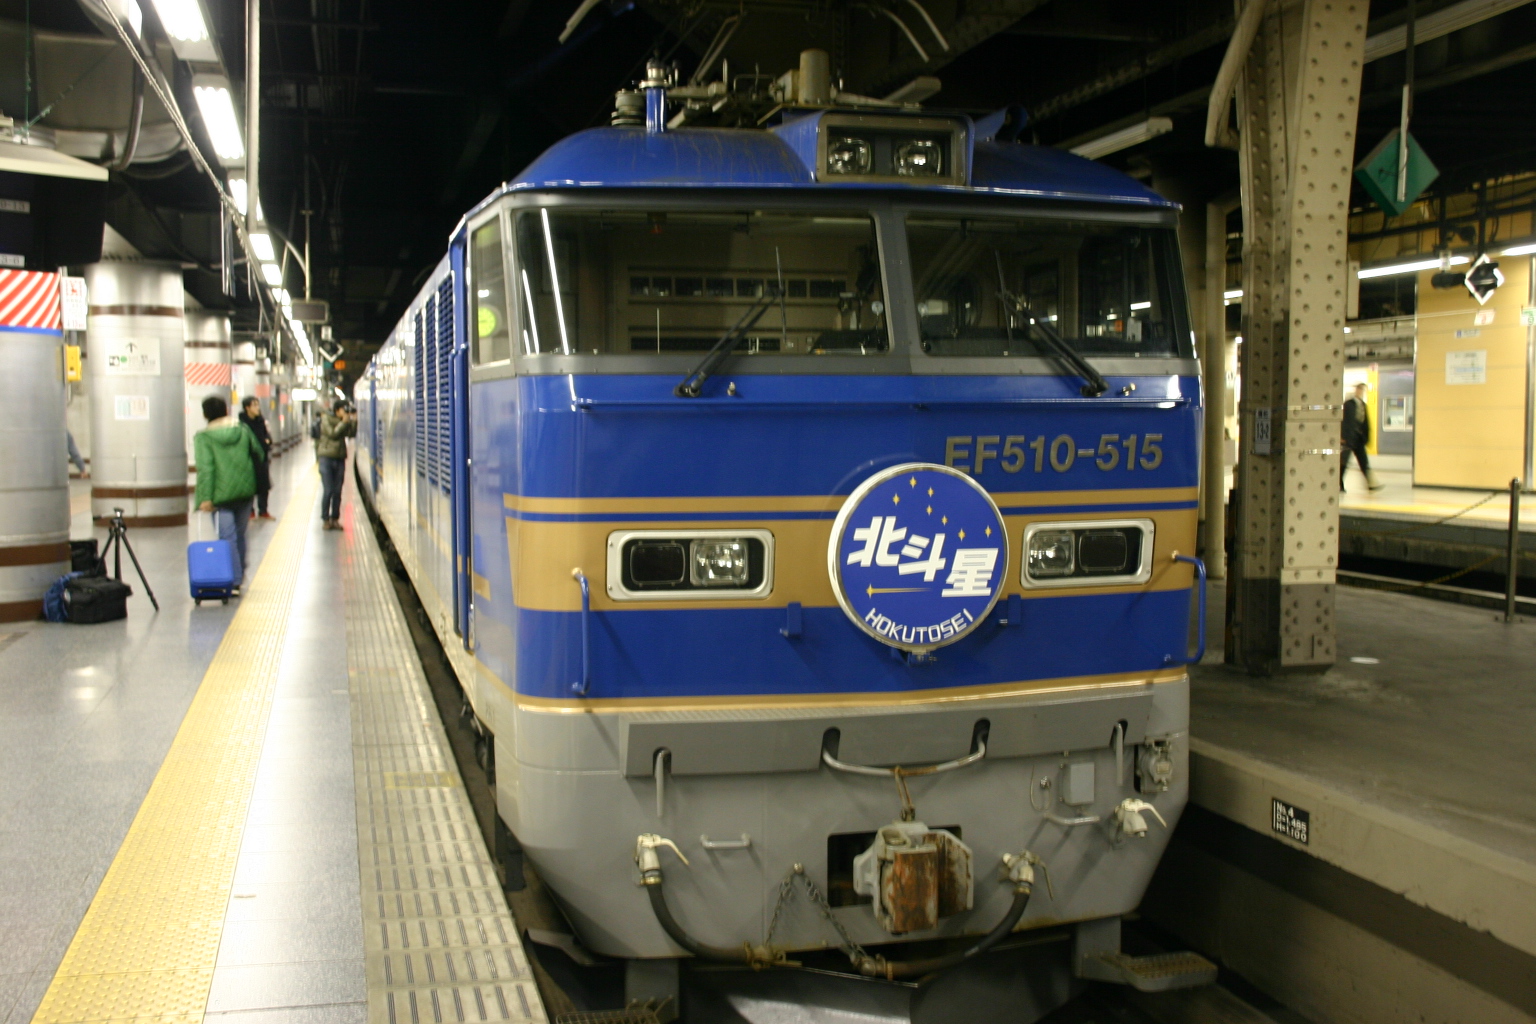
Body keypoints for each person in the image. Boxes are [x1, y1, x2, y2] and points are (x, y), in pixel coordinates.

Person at [194, 395, 266, 589]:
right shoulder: (242, 429)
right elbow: (259, 452)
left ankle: (234, 580)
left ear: (205, 414)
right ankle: (239, 574)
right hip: (245, 491)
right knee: (239, 535)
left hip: (220, 496)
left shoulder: (204, 437)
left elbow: (206, 469)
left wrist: (206, 498)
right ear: (226, 410)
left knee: (227, 538)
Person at [316, 399, 357, 530]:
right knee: (328, 490)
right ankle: (325, 519)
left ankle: (335, 519)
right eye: (344, 409)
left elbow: (351, 434)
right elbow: (333, 434)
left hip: (339, 458)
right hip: (326, 458)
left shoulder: (343, 421)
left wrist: (353, 421)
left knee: (338, 491)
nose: (346, 412)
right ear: (337, 410)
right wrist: (344, 422)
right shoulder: (326, 419)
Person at [1341, 382, 1383, 492]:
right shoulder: (1348, 404)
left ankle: (1371, 483)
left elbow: (1365, 422)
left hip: (1359, 439)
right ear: (1356, 390)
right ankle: (1339, 483)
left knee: (1364, 462)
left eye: (1362, 390)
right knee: (1344, 462)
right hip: (1349, 438)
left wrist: (1366, 437)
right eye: (1359, 389)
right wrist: (1342, 436)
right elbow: (1344, 421)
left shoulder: (1363, 405)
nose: (1360, 392)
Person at [239, 396, 275, 519]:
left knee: (264, 485)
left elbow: (267, 436)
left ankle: (263, 510)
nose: (257, 408)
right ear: (247, 408)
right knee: (249, 486)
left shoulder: (261, 421)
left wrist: (268, 441)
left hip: (262, 457)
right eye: (254, 405)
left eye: (257, 405)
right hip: (248, 458)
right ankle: (250, 511)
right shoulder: (242, 423)